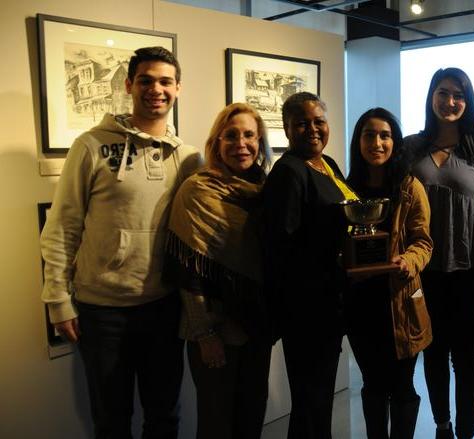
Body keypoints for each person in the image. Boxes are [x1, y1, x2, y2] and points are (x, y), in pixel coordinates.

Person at [39, 46, 201, 438]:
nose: (155, 89)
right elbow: (63, 225)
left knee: (165, 416)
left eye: (165, 81)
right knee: (111, 421)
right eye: (145, 80)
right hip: (103, 311)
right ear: (129, 84)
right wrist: (58, 300)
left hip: (164, 308)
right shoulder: (90, 145)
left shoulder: (189, 157)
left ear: (178, 88)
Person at [406, 67, 474, 439]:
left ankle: (466, 430)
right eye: (443, 92)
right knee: (433, 356)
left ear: (467, 103)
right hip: (421, 273)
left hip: (468, 273)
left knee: (466, 360)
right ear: (431, 95)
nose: (450, 102)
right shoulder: (410, 147)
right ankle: (442, 426)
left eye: (459, 95)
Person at [167, 103, 276, 438]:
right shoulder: (197, 190)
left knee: (252, 413)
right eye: (231, 136)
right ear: (216, 142)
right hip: (214, 329)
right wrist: (205, 334)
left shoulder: (266, 191)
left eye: (249, 135)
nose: (240, 144)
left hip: (255, 324)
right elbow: (188, 270)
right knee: (216, 421)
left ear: (260, 142)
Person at [262, 92, 357, 439]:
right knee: (309, 398)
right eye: (302, 123)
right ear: (287, 129)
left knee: (321, 396)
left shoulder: (327, 164)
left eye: (319, 121)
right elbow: (280, 248)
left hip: (332, 301)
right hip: (307, 309)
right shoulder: (288, 172)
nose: (312, 129)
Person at [345, 108, 433, 439]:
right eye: (370, 135)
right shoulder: (345, 189)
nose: (377, 143)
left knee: (402, 385)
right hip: (360, 305)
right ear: (359, 141)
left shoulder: (409, 187)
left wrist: (408, 260)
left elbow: (424, 242)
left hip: (401, 303)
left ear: (394, 142)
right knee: (372, 384)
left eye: (385, 136)